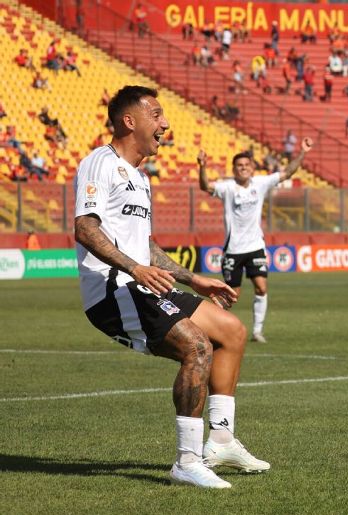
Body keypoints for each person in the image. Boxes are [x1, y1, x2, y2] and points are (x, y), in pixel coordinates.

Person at [74, 86, 268, 489]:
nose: (165, 124)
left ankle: (221, 439)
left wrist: (191, 277)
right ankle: (186, 460)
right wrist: (134, 269)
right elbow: (85, 228)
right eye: (157, 115)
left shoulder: (141, 178)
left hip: (143, 284)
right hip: (115, 291)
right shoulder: (100, 163)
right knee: (196, 347)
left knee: (231, 331)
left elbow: (145, 244)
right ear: (130, 120)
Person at [198, 137, 313, 343]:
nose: (243, 168)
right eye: (239, 166)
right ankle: (212, 329)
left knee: (262, 287)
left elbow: (288, 172)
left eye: (246, 165)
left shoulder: (261, 183)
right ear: (234, 169)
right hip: (233, 250)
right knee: (231, 296)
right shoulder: (227, 187)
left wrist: (303, 152)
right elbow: (205, 186)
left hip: (255, 247)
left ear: (252, 169)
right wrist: (202, 167)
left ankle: (257, 331)